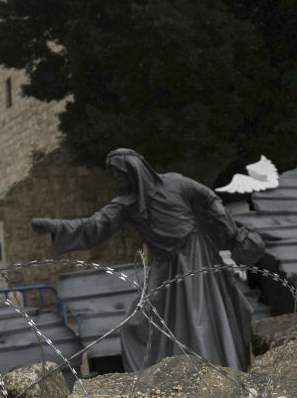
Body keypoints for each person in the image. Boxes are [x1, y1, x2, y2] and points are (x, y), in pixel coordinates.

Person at [31, 148, 253, 371]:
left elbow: (209, 197)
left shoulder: (175, 182)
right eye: (114, 174)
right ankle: (163, 372)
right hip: (163, 266)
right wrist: (57, 226)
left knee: (200, 316)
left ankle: (213, 369)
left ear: (135, 169)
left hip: (195, 255)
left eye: (119, 172)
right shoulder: (127, 203)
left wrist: (230, 230)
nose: (117, 178)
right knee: (138, 321)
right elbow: (95, 225)